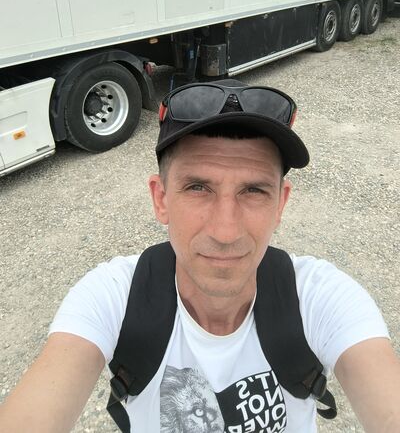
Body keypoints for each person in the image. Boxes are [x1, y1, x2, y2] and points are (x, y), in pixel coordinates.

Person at [0, 79, 399, 433]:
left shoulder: (322, 299)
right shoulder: (112, 298)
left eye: (254, 191)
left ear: (281, 203)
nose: (225, 232)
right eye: (197, 188)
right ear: (161, 199)